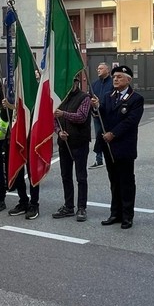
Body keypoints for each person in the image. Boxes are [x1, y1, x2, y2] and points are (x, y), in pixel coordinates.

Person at [91, 65, 144, 229]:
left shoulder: (135, 98)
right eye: (114, 77)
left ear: (128, 80)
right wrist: (96, 107)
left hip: (124, 145)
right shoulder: (108, 96)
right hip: (108, 145)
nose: (115, 79)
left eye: (119, 77)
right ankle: (115, 213)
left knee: (126, 181)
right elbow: (102, 115)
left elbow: (131, 121)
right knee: (114, 180)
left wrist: (113, 134)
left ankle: (127, 215)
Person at [53, 75, 91, 221]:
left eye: (71, 83)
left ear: (76, 83)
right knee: (65, 176)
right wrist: (58, 131)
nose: (68, 87)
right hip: (64, 142)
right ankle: (68, 206)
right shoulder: (60, 98)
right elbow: (54, 119)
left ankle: (82, 207)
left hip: (79, 141)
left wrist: (64, 114)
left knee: (81, 177)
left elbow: (81, 117)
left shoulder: (84, 98)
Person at [90, 62, 113, 169]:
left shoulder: (113, 83)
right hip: (96, 115)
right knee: (98, 137)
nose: (98, 70)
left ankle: (111, 155)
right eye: (98, 68)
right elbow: (90, 98)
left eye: (101, 68)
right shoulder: (94, 84)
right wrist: (93, 110)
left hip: (108, 115)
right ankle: (98, 159)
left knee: (108, 135)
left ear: (107, 70)